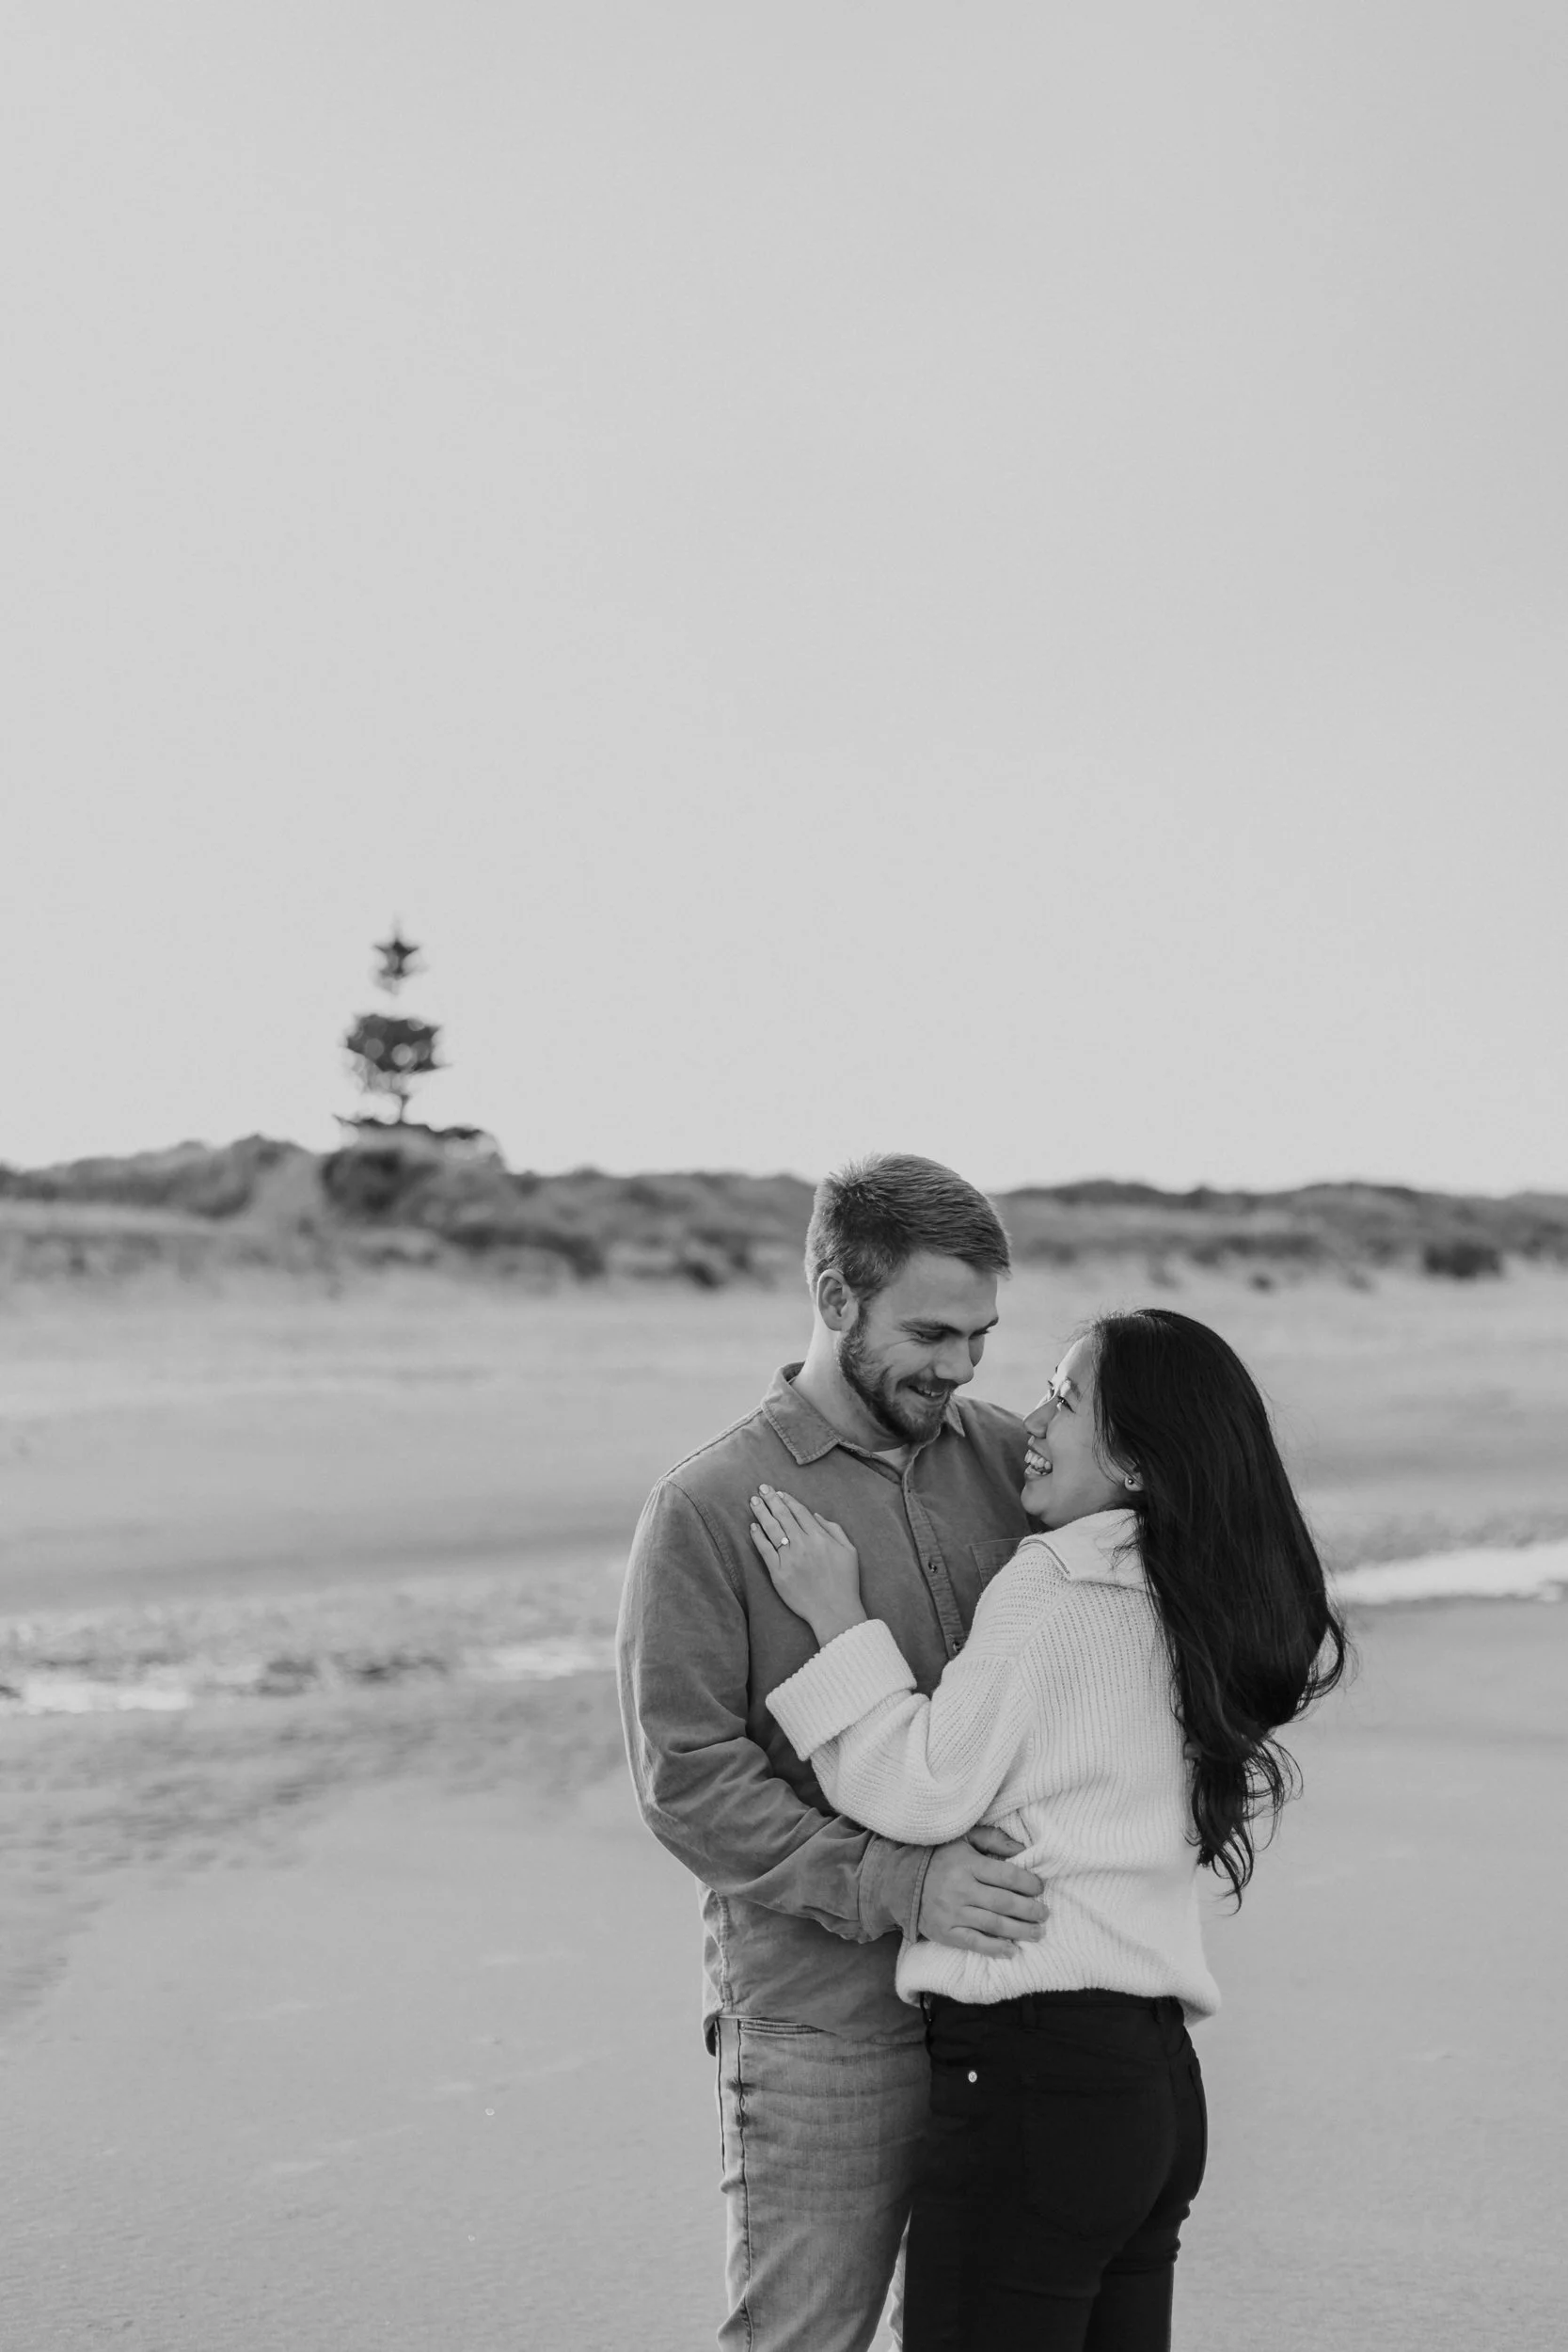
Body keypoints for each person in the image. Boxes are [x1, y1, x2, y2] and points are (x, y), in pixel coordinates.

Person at [751, 1307, 1348, 2352]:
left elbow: (921, 1788)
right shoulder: (1194, 1598)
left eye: (1065, 1398)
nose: (1032, 1414)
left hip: (1031, 2081)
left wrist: (835, 1616)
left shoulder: (1059, 1580)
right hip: (1152, 2095)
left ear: (1132, 1456)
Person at [616, 1154, 1052, 2352]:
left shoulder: (1015, 1464)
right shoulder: (707, 1504)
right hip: (821, 2021)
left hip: (1006, 1998)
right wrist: (901, 1883)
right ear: (831, 1291)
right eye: (929, 1331)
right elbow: (689, 1777)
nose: (959, 1367)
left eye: (980, 1335)